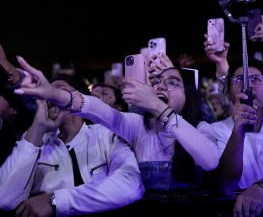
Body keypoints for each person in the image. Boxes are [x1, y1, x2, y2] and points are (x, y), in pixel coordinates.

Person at [13, 54, 219, 193]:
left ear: (188, 95)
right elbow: (99, 110)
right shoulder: (138, 126)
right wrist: (54, 94)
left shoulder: (201, 128)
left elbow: (210, 160)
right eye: (156, 83)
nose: (161, 87)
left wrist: (158, 106)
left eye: (172, 82)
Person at [0, 73, 144, 216]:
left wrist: (56, 201)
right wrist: (37, 127)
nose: (52, 96)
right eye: (47, 94)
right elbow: (4, 199)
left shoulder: (106, 135)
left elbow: (130, 185)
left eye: (60, 90)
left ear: (79, 99)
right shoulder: (34, 138)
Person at [197, 57, 263, 216]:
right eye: (239, 80)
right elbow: (226, 185)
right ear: (227, 93)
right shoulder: (213, 130)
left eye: (256, 79)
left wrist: (259, 189)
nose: (248, 85)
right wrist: (238, 131)